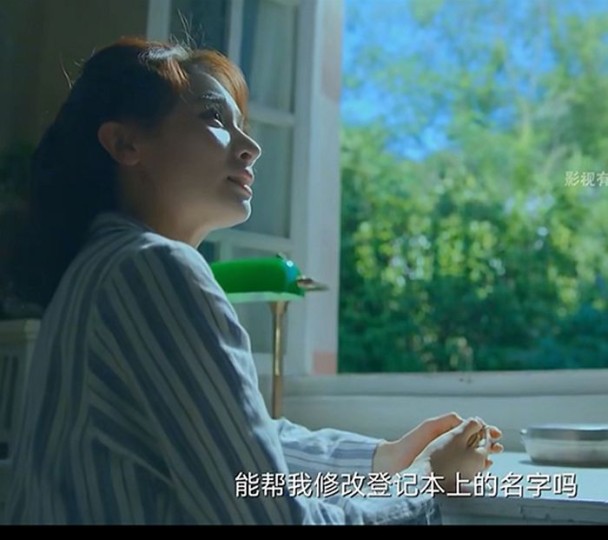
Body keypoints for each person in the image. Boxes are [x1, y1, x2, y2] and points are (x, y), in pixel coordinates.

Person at [4, 37, 502, 525]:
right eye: (213, 118)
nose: (252, 147)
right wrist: (425, 482)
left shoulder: (103, 270)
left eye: (241, 126)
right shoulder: (152, 269)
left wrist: (385, 457)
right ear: (126, 143)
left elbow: (233, 432)